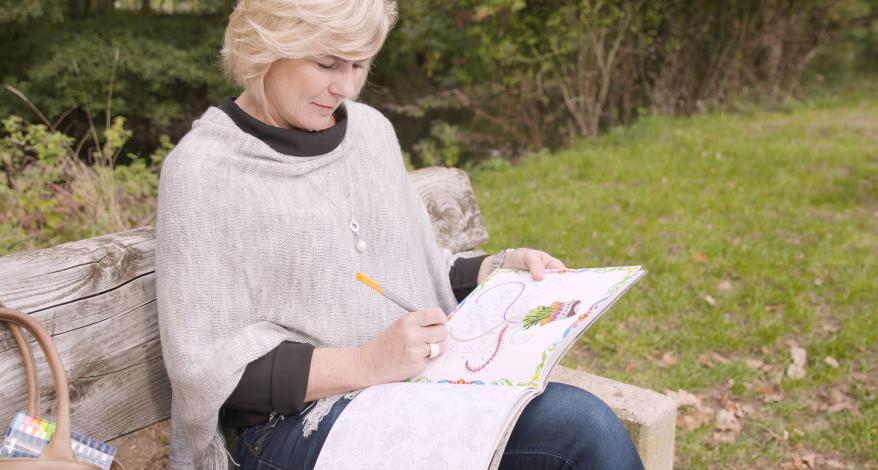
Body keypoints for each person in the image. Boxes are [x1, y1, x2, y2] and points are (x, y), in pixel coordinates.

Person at [155, 1, 645, 469]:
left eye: (359, 65)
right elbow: (209, 370)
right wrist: (368, 363)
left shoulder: (370, 132)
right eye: (327, 64)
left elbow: (411, 267)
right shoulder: (203, 172)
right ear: (266, 48)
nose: (345, 86)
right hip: (292, 428)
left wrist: (497, 268)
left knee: (586, 427)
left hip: (419, 381)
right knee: (581, 430)